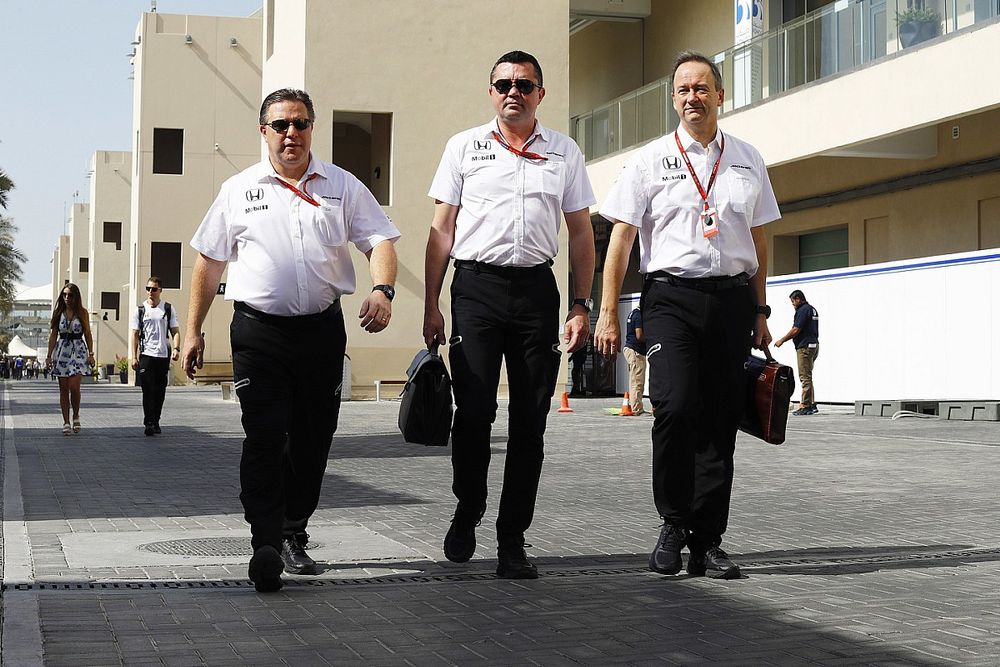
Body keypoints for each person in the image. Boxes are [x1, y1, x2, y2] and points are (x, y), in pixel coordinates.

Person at [184, 88, 399, 593]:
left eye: (300, 123)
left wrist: (383, 289)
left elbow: (380, 241)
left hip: (321, 331)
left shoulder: (342, 185)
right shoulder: (239, 189)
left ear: (311, 129)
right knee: (264, 435)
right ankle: (265, 541)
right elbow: (208, 263)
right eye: (280, 125)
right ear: (264, 132)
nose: (291, 134)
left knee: (312, 439)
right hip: (258, 334)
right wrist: (192, 330)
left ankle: (292, 529)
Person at [595, 51, 781, 580]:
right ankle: (673, 523)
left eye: (701, 88)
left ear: (720, 95)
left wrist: (760, 309)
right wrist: (608, 312)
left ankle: (708, 541)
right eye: (682, 90)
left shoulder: (747, 158)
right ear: (673, 100)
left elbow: (759, 239)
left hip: (731, 302)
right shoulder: (649, 160)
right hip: (670, 300)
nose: (692, 97)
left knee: (721, 419)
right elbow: (621, 240)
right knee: (675, 408)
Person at [424, 50, 596, 579]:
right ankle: (468, 506)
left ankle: (512, 537)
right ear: (491, 92)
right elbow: (442, 230)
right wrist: (431, 304)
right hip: (475, 289)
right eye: (503, 85)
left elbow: (581, 232)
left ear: (541, 93)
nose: (513, 92)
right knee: (474, 411)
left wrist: (581, 304)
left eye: (524, 84)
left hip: (535, 292)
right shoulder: (463, 147)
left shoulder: (564, 151)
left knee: (531, 420)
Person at [130, 276, 181, 436]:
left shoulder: (167, 308)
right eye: (148, 289)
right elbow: (135, 334)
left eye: (153, 289)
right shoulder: (140, 310)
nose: (150, 292)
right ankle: (149, 422)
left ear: (160, 290)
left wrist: (176, 348)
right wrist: (134, 356)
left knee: (159, 390)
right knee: (147, 389)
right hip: (146, 354)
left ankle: (156, 420)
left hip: (162, 355)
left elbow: (175, 331)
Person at [45, 283, 96, 435]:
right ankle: (66, 421)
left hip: (78, 350)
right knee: (63, 388)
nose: (67, 298)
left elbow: (88, 333)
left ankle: (76, 415)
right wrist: (49, 356)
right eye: (64, 295)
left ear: (76, 297)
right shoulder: (58, 312)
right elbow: (53, 335)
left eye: (70, 295)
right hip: (62, 351)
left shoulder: (82, 313)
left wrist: (91, 353)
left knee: (74, 386)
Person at [775, 289, 819, 415]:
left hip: (804, 347)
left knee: (804, 377)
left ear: (798, 299)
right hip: (813, 345)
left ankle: (805, 405)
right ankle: (812, 403)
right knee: (808, 376)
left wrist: (782, 340)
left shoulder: (803, 310)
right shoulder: (811, 309)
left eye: (793, 301)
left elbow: (796, 329)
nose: (793, 304)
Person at [623, 306, 646, 415]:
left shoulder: (633, 313)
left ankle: (635, 407)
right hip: (636, 351)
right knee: (637, 381)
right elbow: (639, 335)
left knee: (634, 380)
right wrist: (650, 339)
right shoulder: (639, 316)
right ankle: (637, 409)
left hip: (630, 348)